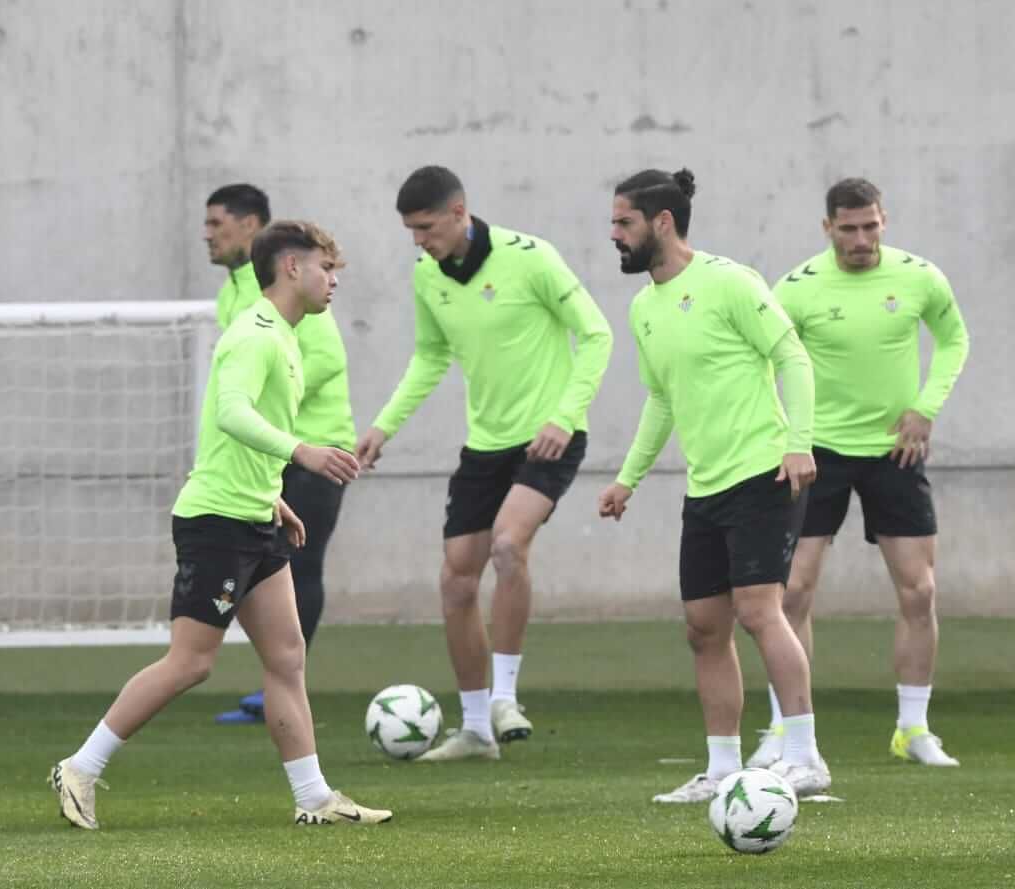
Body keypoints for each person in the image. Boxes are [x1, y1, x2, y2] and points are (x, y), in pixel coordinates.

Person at [49, 221, 390, 828]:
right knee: (192, 662)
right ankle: (80, 767)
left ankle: (314, 799)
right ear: (291, 267)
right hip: (217, 523)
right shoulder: (254, 334)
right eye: (325, 268)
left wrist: (273, 497)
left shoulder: (286, 335)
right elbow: (230, 412)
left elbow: (229, 431)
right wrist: (301, 453)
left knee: (287, 656)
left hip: (254, 516)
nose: (333, 281)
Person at [356, 166, 613, 760]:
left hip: (550, 438)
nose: (419, 241)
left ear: (458, 211)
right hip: (485, 445)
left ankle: (505, 695)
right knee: (455, 579)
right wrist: (383, 426)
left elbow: (596, 335)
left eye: (426, 227)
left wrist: (565, 414)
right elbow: (429, 357)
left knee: (507, 546)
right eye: (410, 231)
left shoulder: (532, 258)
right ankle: (475, 729)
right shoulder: (427, 274)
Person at [598, 168, 830, 802]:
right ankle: (723, 767)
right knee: (703, 627)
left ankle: (805, 757)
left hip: (763, 471)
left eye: (624, 223)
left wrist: (798, 443)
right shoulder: (644, 306)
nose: (613, 234)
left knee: (760, 612)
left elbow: (792, 357)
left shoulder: (729, 281)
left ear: (662, 222)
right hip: (706, 489)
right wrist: (628, 479)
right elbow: (660, 399)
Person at [749, 177, 969, 769]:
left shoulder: (920, 276)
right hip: (817, 453)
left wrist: (926, 407)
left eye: (870, 226)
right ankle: (781, 729)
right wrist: (788, 437)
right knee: (791, 591)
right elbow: (767, 365)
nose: (861, 239)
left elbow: (954, 340)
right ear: (828, 229)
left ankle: (913, 728)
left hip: (895, 452)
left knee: (919, 591)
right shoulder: (795, 288)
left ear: (884, 220)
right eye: (848, 229)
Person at [203, 184, 356, 725]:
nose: (208, 233)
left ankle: (284, 689)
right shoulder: (237, 295)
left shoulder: (295, 290)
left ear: (252, 228)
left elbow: (326, 359)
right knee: (264, 569)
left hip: (317, 447)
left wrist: (298, 443)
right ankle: (274, 684)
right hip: (274, 452)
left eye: (218, 223)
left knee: (299, 564)